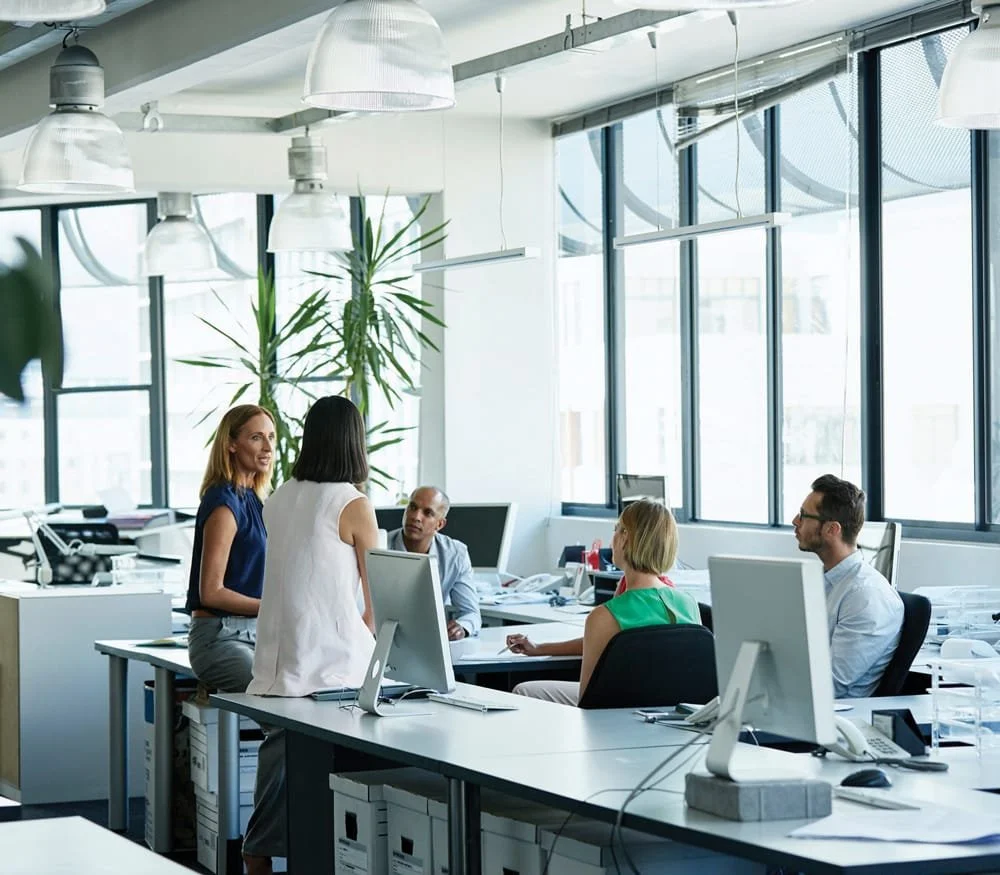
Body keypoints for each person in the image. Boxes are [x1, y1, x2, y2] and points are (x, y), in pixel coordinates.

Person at [242, 396, 378, 875]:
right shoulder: (352, 503)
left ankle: (261, 853)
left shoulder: (278, 497)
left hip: (279, 665)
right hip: (330, 668)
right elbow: (376, 600)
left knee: (280, 770)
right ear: (353, 442)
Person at [512, 499, 699, 707]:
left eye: (616, 530)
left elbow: (588, 699)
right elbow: (603, 642)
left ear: (625, 539)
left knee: (523, 691)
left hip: (617, 715)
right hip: (670, 717)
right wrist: (540, 648)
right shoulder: (688, 604)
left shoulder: (605, 616)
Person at [185, 404, 274, 695]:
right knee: (277, 705)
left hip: (255, 634)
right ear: (232, 444)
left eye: (271, 438)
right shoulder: (224, 503)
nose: (267, 447)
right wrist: (273, 606)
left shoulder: (254, 500)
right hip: (220, 638)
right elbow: (211, 592)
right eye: (256, 437)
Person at [793, 474, 903, 699]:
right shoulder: (823, 581)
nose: (795, 521)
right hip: (792, 704)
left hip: (835, 720)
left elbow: (830, 685)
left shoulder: (866, 596)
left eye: (804, 515)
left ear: (832, 529)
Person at [387, 485, 481, 640]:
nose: (416, 516)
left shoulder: (455, 554)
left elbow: (471, 613)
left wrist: (462, 627)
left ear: (440, 524)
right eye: (412, 507)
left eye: (427, 513)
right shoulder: (379, 545)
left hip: (429, 640)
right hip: (382, 637)